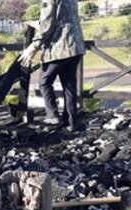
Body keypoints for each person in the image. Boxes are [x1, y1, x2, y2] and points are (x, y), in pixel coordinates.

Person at [18, 0, 85, 131]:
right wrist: (36, 23)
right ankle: (71, 122)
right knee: (69, 85)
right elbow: (60, 20)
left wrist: (33, 46)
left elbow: (47, 24)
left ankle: (52, 115)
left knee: (44, 82)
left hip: (59, 47)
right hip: (76, 45)